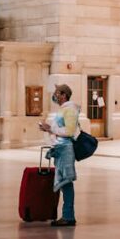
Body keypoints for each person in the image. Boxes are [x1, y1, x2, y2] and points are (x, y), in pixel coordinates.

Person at [37, 84, 80, 227]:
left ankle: (68, 216)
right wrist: (49, 128)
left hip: (66, 149)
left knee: (66, 182)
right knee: (64, 183)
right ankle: (68, 215)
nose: (54, 96)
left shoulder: (70, 109)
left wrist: (50, 128)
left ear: (63, 95)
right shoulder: (64, 109)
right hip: (60, 148)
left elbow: (69, 131)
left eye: (56, 93)